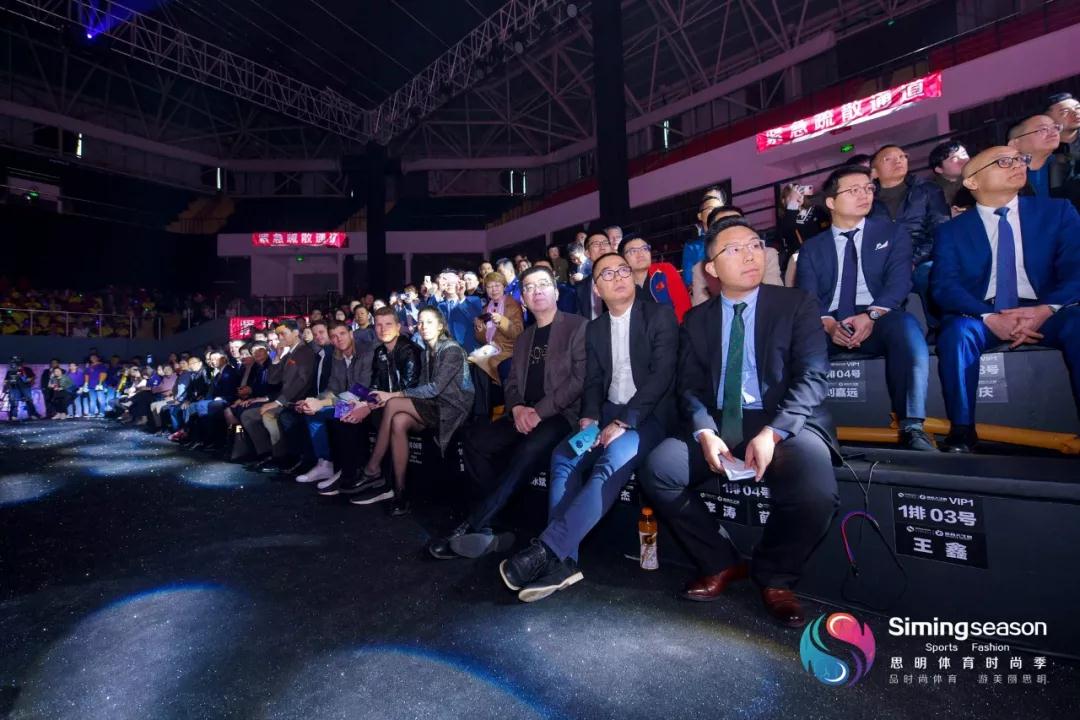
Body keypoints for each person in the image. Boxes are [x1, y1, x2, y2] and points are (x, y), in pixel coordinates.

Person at [639, 217, 841, 629]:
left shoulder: (796, 304)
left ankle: (775, 576)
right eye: (734, 249)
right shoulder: (697, 319)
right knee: (658, 470)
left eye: (754, 245)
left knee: (816, 492)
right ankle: (720, 561)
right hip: (720, 419)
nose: (750, 255)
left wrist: (774, 432)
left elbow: (812, 377)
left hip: (783, 418)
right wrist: (704, 431)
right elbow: (689, 387)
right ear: (711, 267)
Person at [498, 252, 678, 603]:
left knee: (610, 461)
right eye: (607, 274)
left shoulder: (659, 316)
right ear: (596, 289)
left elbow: (661, 377)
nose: (618, 277)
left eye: (623, 270)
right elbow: (593, 381)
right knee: (564, 456)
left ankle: (547, 551)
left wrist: (624, 421)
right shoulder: (595, 328)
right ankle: (566, 561)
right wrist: (590, 417)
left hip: (649, 416)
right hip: (607, 412)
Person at [428, 265, 588, 560]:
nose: (536, 291)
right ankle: (494, 522)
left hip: (561, 416)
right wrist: (516, 408)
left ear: (556, 291)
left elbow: (578, 382)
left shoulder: (577, 326)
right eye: (529, 287)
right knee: (475, 440)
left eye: (543, 284)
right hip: (523, 413)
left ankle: (473, 524)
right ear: (523, 298)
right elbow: (512, 381)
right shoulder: (525, 337)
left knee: (529, 448)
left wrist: (538, 412)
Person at [930, 146, 1080, 453]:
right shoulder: (951, 232)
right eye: (1003, 162)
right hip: (983, 314)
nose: (1017, 165)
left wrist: (1045, 309)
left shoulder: (1057, 211)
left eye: (1019, 159)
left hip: (1049, 310)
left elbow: (1076, 268)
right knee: (957, 334)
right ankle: (962, 429)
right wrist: (989, 317)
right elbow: (945, 286)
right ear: (972, 181)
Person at [796, 165, 934, 451]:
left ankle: (912, 425)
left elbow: (899, 283)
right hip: (828, 320)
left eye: (868, 188)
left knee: (907, 329)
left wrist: (871, 315)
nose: (865, 195)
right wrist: (828, 324)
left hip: (878, 315)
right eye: (854, 190)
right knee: (798, 342)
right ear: (831, 202)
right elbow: (808, 295)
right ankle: (806, 428)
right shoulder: (812, 247)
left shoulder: (893, 233)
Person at [351, 307, 474, 515]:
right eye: (420, 322)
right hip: (433, 405)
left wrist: (393, 395)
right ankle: (400, 492)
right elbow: (423, 389)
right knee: (398, 420)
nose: (423, 326)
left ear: (441, 326)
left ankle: (372, 468)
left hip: (452, 409)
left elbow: (435, 388)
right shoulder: (426, 352)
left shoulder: (451, 349)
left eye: (429, 322)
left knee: (393, 404)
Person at [327, 309, 420, 496]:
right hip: (372, 400)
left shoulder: (404, 350)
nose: (383, 329)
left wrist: (366, 406)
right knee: (338, 416)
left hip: (404, 403)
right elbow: (374, 386)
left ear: (398, 327)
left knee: (364, 416)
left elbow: (407, 388)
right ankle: (347, 472)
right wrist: (363, 404)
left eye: (388, 324)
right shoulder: (378, 351)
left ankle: (371, 475)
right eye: (378, 325)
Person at [293, 321, 375, 491]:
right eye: (334, 337)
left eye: (342, 334)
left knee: (336, 414)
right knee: (312, 412)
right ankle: (325, 464)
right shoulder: (337, 356)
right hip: (346, 403)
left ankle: (346, 471)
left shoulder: (366, 353)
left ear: (351, 333)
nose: (339, 339)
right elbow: (332, 389)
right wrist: (312, 400)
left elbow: (360, 390)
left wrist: (321, 403)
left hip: (364, 404)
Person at [869, 144, 950, 310]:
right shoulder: (868, 202)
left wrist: (913, 260)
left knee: (929, 274)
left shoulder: (927, 190)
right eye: (888, 159)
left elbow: (940, 229)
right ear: (874, 172)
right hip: (886, 266)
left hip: (923, 259)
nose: (898, 161)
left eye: (902, 157)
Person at [239, 319, 316, 471]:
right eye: (278, 334)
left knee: (268, 414)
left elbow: (302, 381)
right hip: (285, 400)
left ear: (295, 333)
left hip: (295, 401)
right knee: (247, 416)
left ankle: (280, 457)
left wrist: (278, 402)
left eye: (283, 334)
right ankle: (266, 453)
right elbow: (273, 379)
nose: (280, 338)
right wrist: (277, 357)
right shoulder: (289, 353)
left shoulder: (304, 352)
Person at [470, 271, 524, 384]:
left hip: (508, 350)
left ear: (504, 286)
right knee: (473, 362)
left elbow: (518, 333)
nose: (493, 290)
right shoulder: (486, 309)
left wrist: (501, 321)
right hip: (491, 348)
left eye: (497, 285)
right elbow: (483, 340)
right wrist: (480, 330)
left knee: (483, 364)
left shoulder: (513, 305)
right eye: (489, 287)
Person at [1009, 114, 1076, 206]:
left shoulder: (1071, 164)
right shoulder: (1004, 176)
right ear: (1015, 144)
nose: (1054, 132)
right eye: (1043, 129)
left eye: (1055, 127)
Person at [622, 235, 692, 322]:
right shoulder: (622, 284)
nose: (640, 254)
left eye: (644, 248)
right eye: (633, 251)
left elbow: (683, 305)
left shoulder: (665, 270)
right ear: (623, 259)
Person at [682, 194, 724, 288]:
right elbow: (689, 280)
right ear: (700, 216)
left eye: (719, 209)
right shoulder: (692, 246)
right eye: (711, 209)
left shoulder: (730, 237)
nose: (715, 212)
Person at [575, 232, 614, 320]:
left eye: (605, 243)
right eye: (596, 244)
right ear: (587, 253)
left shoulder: (624, 278)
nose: (602, 247)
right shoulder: (581, 287)